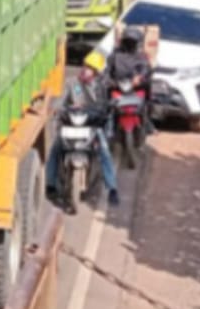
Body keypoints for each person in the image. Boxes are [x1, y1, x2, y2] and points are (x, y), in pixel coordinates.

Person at [47, 62, 120, 207]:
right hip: (71, 124)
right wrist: (57, 109)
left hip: (92, 126)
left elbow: (105, 106)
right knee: (55, 149)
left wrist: (107, 111)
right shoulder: (72, 83)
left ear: (95, 73)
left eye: (90, 69)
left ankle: (112, 188)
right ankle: (50, 184)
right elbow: (60, 102)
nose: (85, 70)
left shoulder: (100, 87)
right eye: (85, 67)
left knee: (104, 151)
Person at [105, 26, 155, 136]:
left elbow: (146, 69)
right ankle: (108, 124)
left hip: (136, 87)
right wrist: (109, 81)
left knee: (150, 89)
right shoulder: (115, 55)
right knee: (105, 100)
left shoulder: (141, 56)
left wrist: (139, 78)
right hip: (118, 86)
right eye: (128, 41)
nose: (130, 44)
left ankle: (147, 121)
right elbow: (107, 71)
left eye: (132, 41)